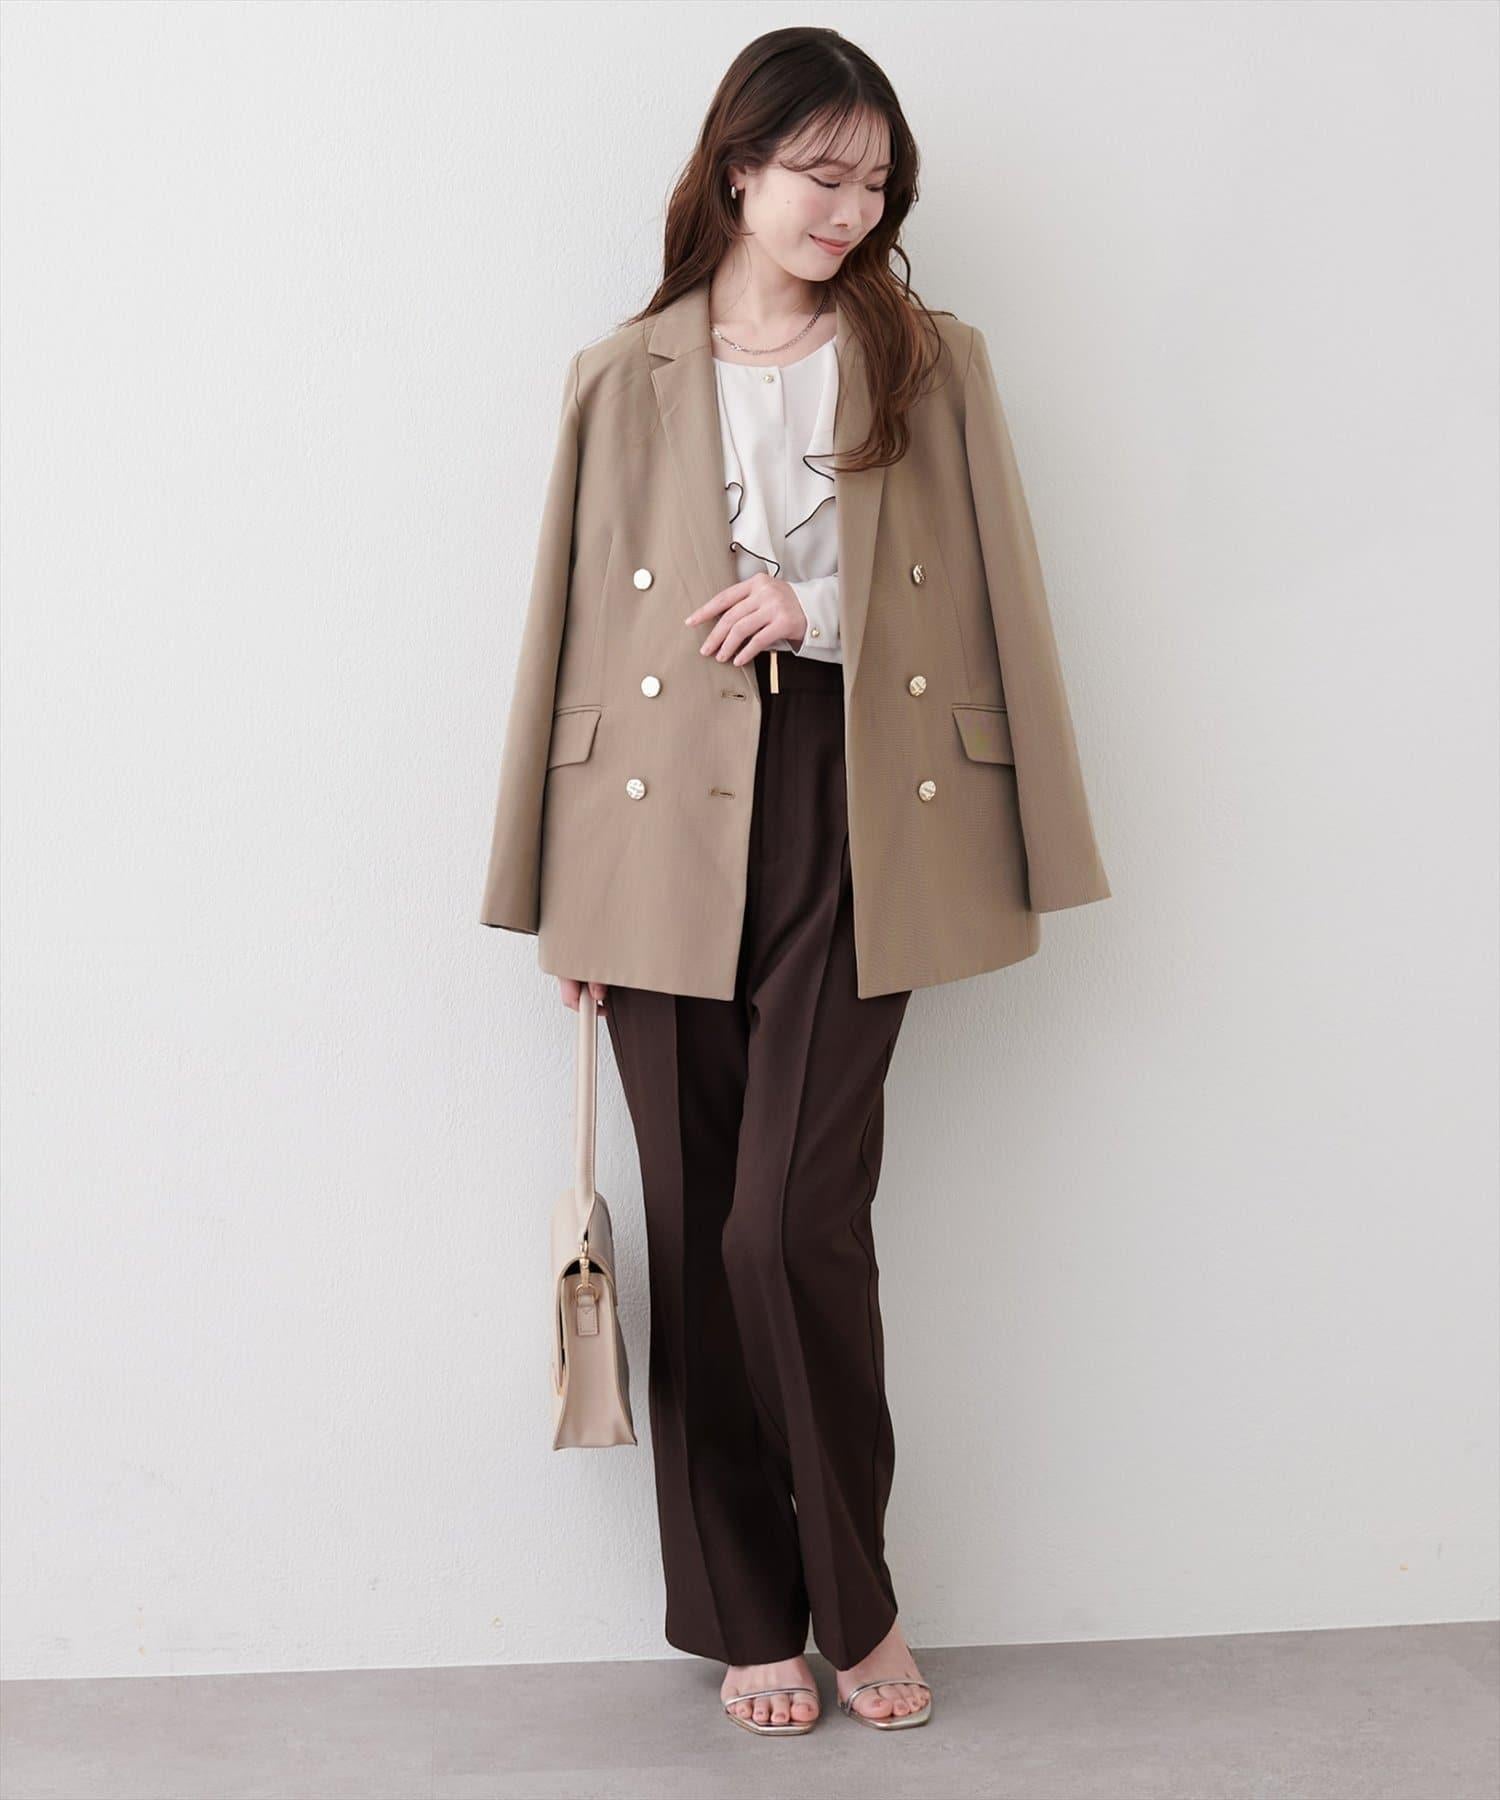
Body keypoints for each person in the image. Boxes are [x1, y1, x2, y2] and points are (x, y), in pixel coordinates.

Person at [480, 25, 1111, 1740]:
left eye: (878, 182)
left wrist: (810, 610)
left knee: (787, 1221)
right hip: (650, 829)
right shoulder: (622, 373)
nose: (851, 208)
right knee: (696, 1222)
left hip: (860, 799)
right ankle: (746, 1615)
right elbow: (567, 635)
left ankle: (861, 1593)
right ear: (738, 168)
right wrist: (560, 895)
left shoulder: (928, 357)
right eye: (823, 173)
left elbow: (984, 581)